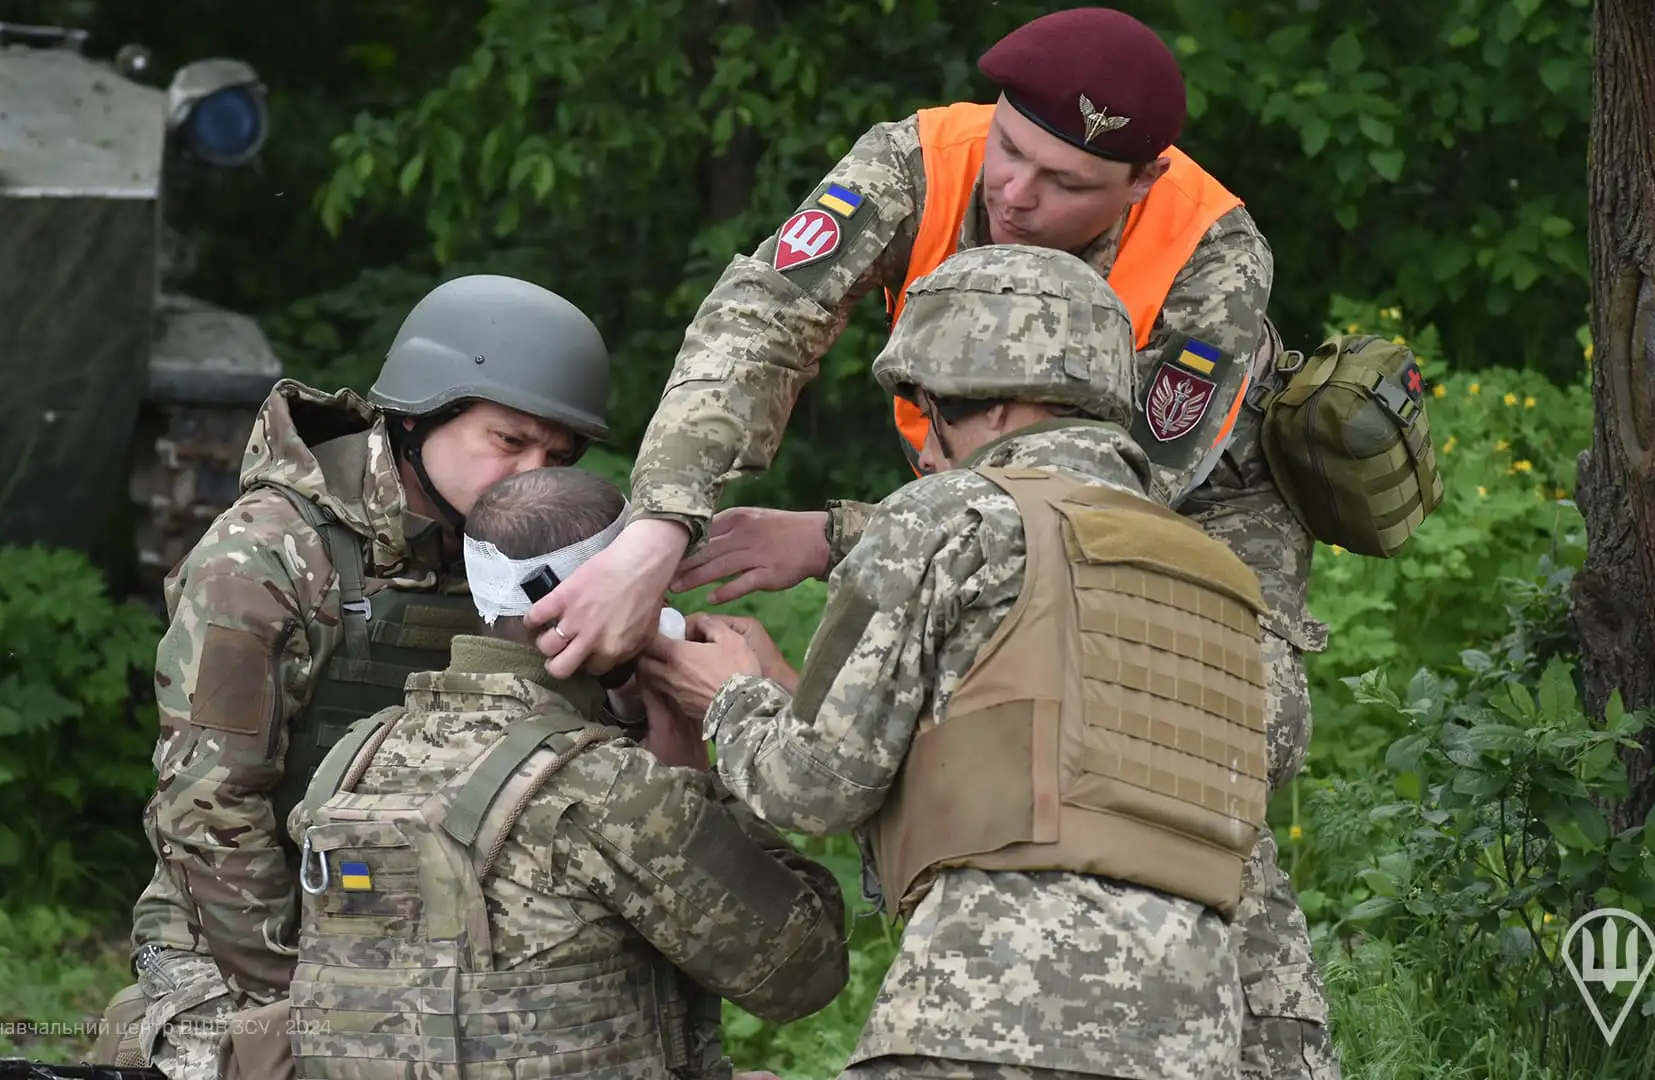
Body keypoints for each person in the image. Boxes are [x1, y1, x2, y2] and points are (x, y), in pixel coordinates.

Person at [528, 8, 1342, 1077]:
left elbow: (1104, 511)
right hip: (988, 495)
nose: (1014, 193)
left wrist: (836, 542)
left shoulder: (1211, 256)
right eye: (1009, 149)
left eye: (1062, 182)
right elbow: (761, 324)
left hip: (1191, 533)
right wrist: (657, 523)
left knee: (1166, 760)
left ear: (1142, 181)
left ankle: (1260, 1033)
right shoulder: (917, 159)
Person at [641, 245, 1268, 1080]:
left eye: (928, 410)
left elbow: (810, 786)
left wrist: (729, 698)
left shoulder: (951, 515)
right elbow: (1040, 783)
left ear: (1002, 410)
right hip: (1200, 1037)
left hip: (988, 1015)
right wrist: (789, 694)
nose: (927, 451)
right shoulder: (1216, 573)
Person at [93, 274, 623, 1080]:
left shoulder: (533, 560)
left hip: (448, 926)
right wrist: (308, 998)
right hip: (252, 931)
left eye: (558, 454)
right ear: (417, 417)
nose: (531, 475)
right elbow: (209, 809)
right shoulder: (266, 557)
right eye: (508, 443)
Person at [280, 465, 849, 1080]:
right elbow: (804, 969)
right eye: (649, 591)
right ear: (604, 603)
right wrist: (700, 765)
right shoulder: (610, 791)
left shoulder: (352, 760)